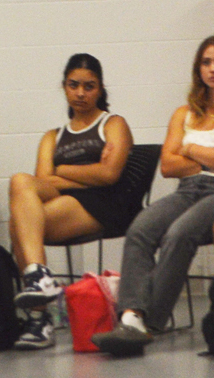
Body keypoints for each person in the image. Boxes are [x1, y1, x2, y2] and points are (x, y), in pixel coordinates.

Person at [103, 35, 214, 350]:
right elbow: (168, 165)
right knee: (140, 229)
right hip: (188, 191)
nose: (213, 69)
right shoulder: (183, 113)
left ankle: (150, 322)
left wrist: (189, 148)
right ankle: (130, 316)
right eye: (206, 62)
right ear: (198, 68)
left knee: (179, 233)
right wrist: (212, 158)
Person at [9, 53, 134, 349]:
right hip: (64, 201)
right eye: (74, 85)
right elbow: (41, 182)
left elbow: (109, 175)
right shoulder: (53, 136)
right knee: (19, 183)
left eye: (89, 86)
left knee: (20, 225)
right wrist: (87, 173)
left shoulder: (113, 124)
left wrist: (63, 170)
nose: (80, 93)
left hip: (102, 204)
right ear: (64, 87)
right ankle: (40, 278)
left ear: (100, 88)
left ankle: (40, 320)